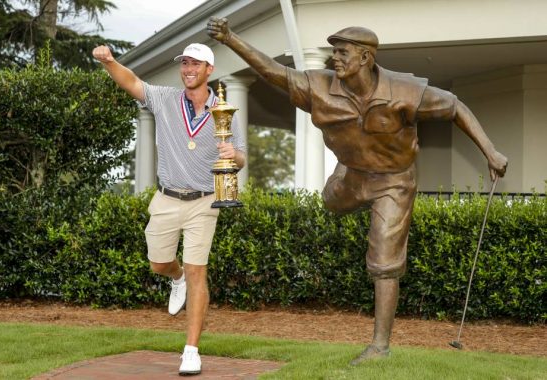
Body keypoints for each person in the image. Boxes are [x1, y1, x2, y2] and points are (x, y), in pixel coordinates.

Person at [207, 18, 507, 364]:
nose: (335, 58)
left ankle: (379, 346)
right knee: (329, 202)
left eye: (342, 52)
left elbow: (455, 106)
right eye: (333, 51)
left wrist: (491, 151)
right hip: (351, 175)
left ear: (366, 58)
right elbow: (273, 71)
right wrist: (231, 39)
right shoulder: (319, 86)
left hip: (393, 181)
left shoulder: (404, 91)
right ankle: (346, 189)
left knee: (384, 262)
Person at [92, 42, 246, 375]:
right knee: (159, 264)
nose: (188, 69)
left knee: (198, 272)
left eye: (196, 64)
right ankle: (175, 279)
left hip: (205, 201)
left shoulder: (226, 110)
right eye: (185, 64)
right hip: (165, 197)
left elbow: (242, 156)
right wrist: (110, 63)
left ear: (209, 70)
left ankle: (191, 350)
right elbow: (133, 82)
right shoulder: (164, 99)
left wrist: (235, 155)